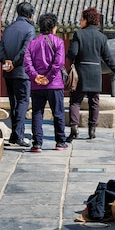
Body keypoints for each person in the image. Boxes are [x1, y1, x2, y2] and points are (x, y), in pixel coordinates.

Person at [66, 7, 115, 141]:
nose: (80, 21)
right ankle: (92, 130)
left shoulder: (79, 34)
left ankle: (74, 128)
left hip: (81, 72)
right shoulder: (102, 37)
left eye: (81, 19)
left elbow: (72, 53)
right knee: (94, 102)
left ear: (86, 20)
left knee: (75, 101)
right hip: (95, 72)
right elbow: (108, 58)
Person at [24, 13, 68, 152]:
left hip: (37, 84)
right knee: (58, 113)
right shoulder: (58, 42)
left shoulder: (32, 43)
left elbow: (27, 62)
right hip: (54, 84)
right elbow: (58, 63)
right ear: (54, 27)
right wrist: (49, 77)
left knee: (37, 113)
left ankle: (37, 143)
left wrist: (35, 76)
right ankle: (60, 141)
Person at [0, 1, 35, 148]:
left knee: (14, 102)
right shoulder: (30, 29)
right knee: (22, 102)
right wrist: (14, 62)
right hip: (22, 72)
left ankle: (14, 134)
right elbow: (26, 51)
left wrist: (6, 62)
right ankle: (19, 135)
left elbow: (0, 48)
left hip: (8, 71)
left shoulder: (8, 28)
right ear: (30, 15)